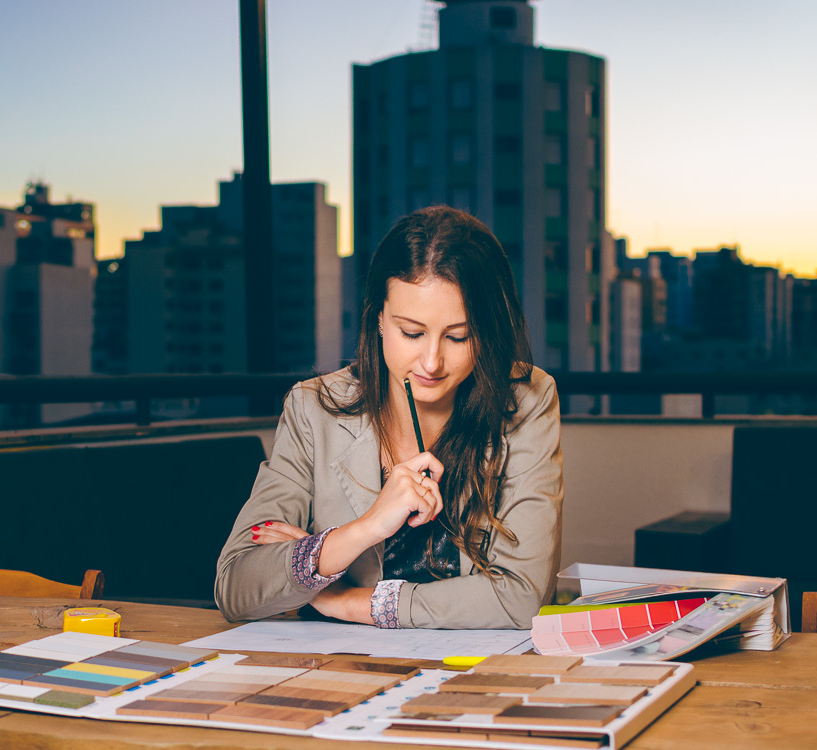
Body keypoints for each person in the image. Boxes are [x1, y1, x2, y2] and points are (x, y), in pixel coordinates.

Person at [214, 206, 563, 629]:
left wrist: (348, 602)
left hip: (472, 676)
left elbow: (521, 598)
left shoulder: (527, 398)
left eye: (458, 336)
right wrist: (363, 529)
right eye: (411, 333)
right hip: (342, 675)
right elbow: (235, 588)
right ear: (378, 317)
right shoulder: (313, 409)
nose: (431, 362)